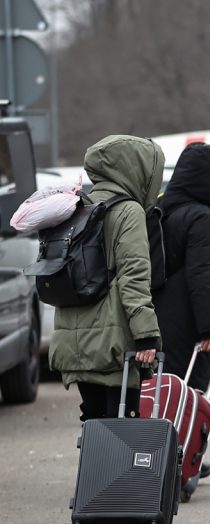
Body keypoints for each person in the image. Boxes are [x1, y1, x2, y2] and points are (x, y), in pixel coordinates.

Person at [49, 135, 163, 421]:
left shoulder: (75, 206)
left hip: (73, 340)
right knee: (123, 433)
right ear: (135, 169)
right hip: (113, 343)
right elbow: (133, 277)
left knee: (96, 427)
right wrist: (146, 335)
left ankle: (91, 468)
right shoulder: (128, 211)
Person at [153, 142, 210, 393]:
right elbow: (201, 275)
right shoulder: (199, 217)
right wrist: (209, 329)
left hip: (155, 318)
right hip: (185, 322)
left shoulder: (159, 208)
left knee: (161, 395)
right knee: (191, 394)